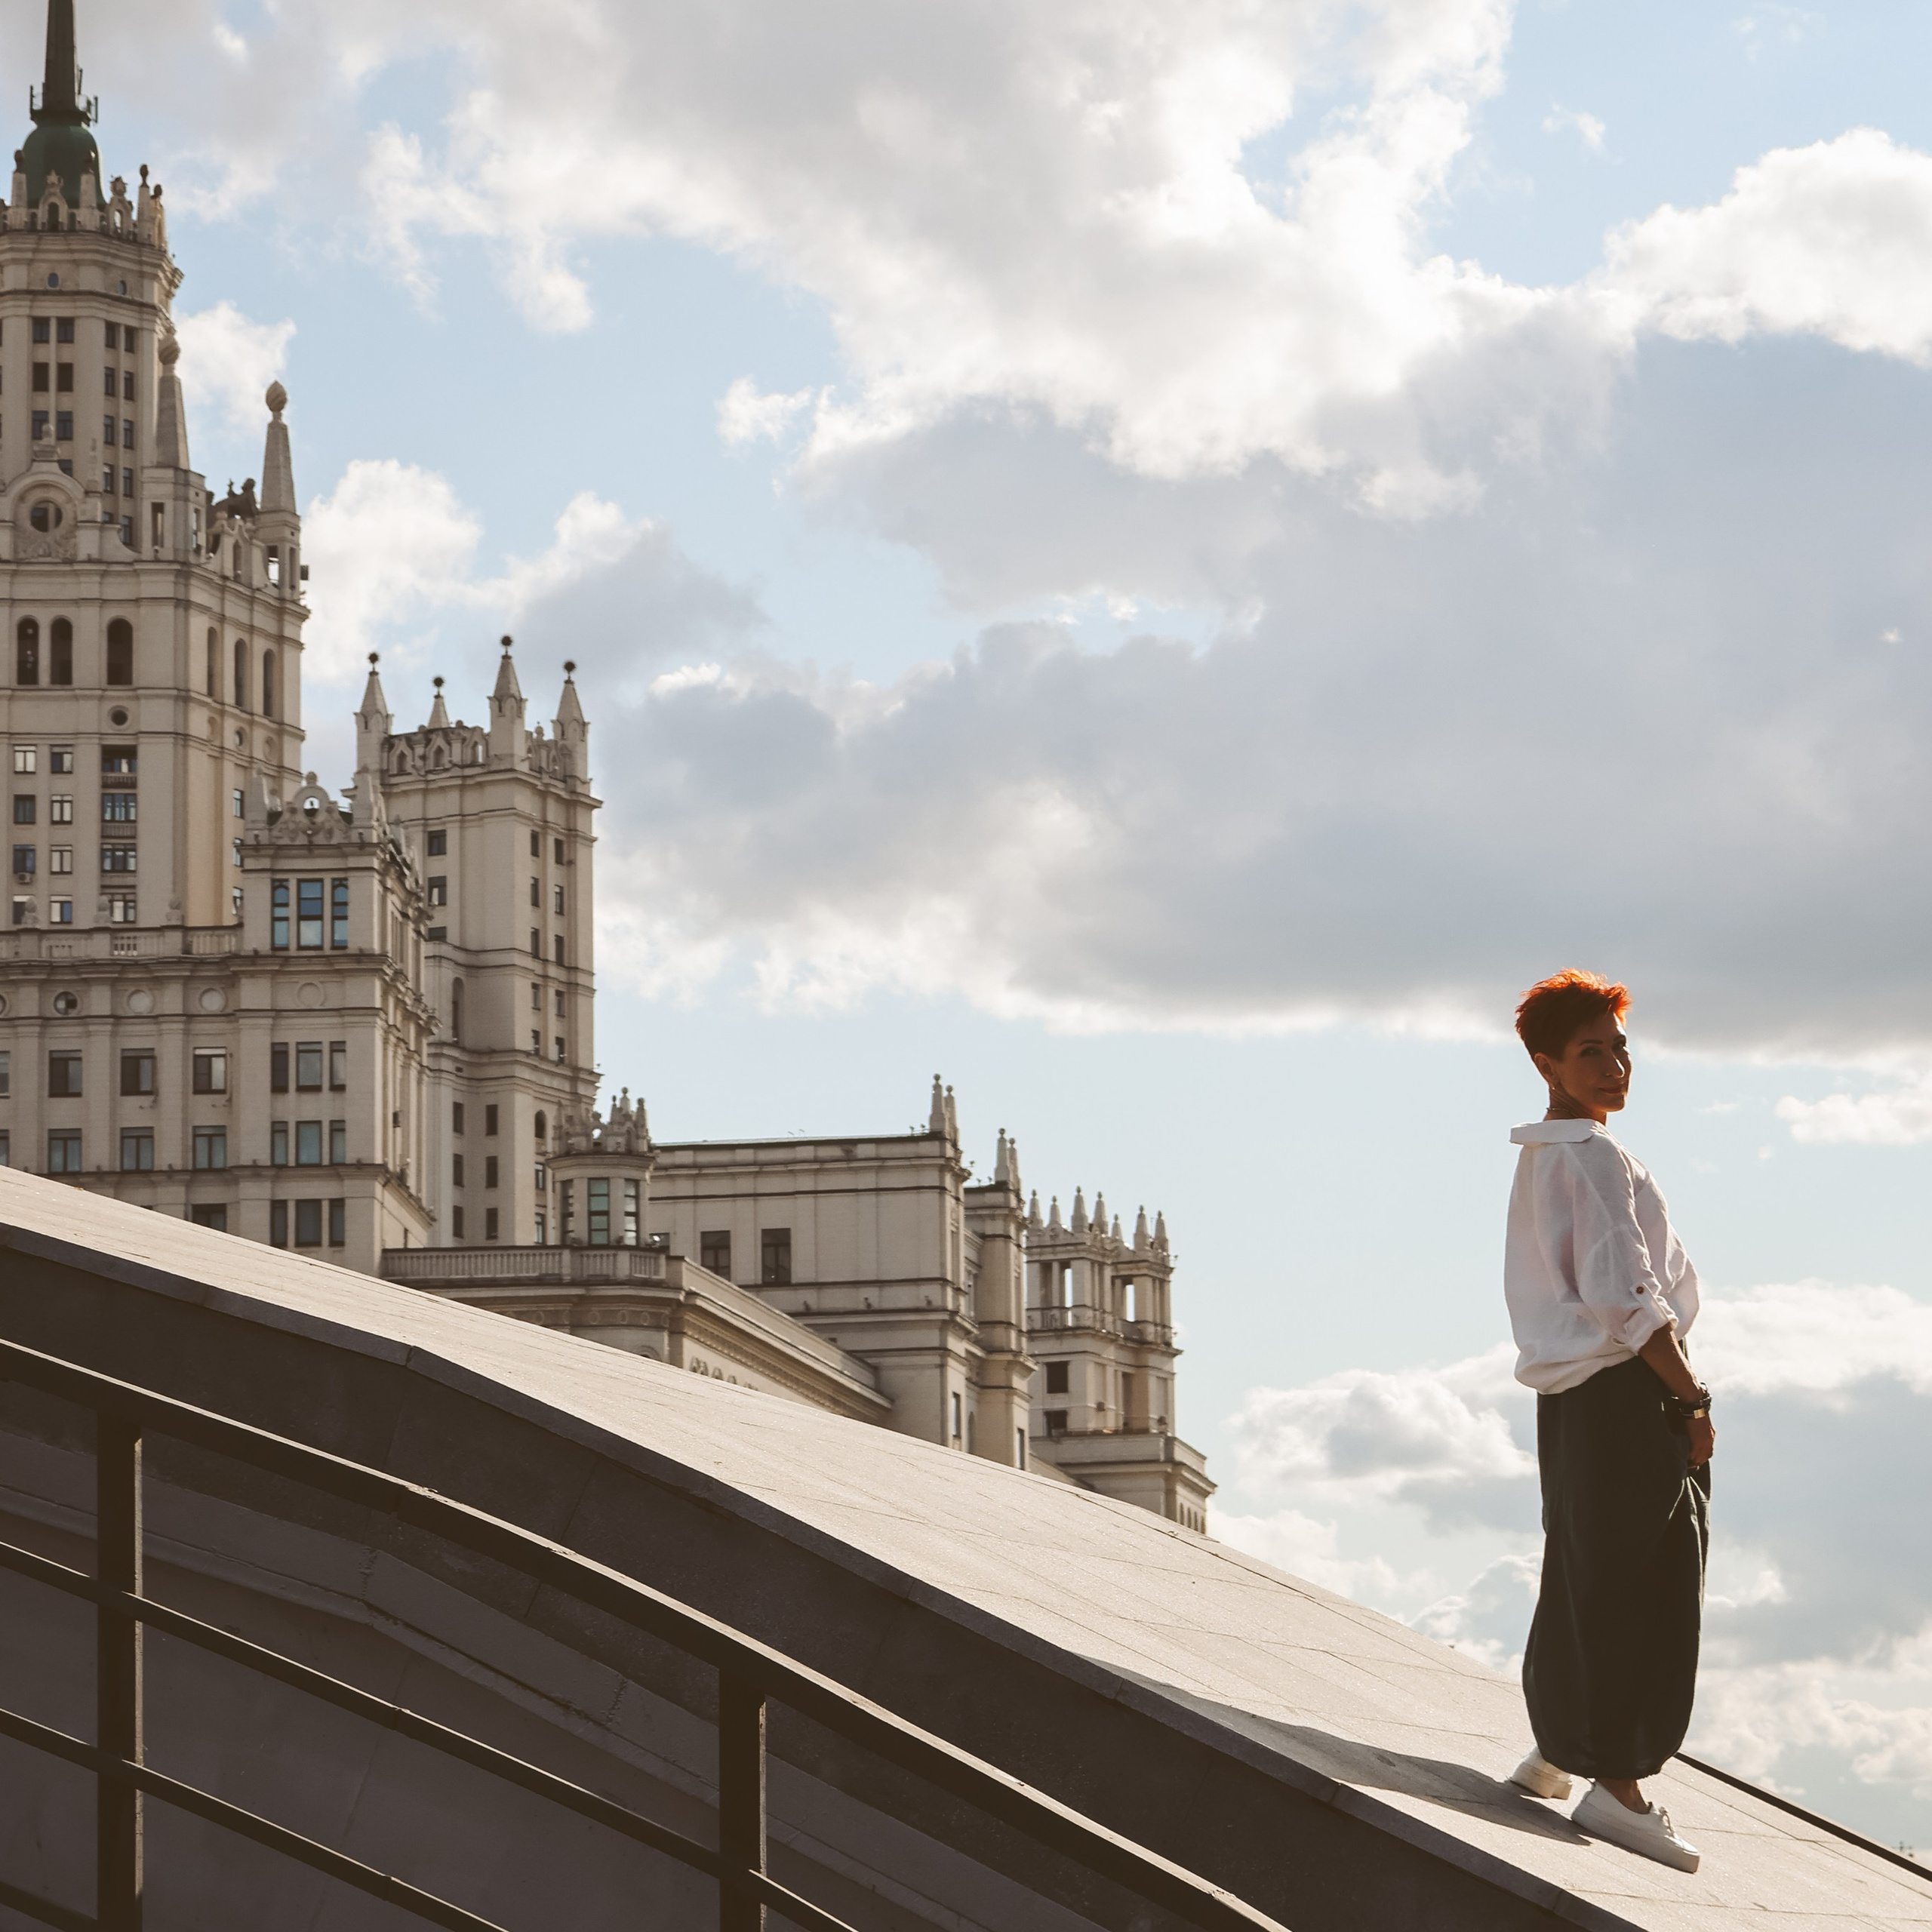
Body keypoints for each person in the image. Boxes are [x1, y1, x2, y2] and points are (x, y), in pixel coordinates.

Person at [1500, 970, 1712, 1874]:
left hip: (1575, 1402)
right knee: (1652, 1583)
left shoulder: (1551, 1153)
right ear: (1546, 1062)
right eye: (1592, 1050)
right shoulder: (1587, 1154)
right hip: (1626, 1392)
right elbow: (1627, 1292)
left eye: (1619, 1046)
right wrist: (1688, 1397)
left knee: (1586, 1566)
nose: (1616, 1063)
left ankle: (1560, 1749)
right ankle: (1619, 1786)